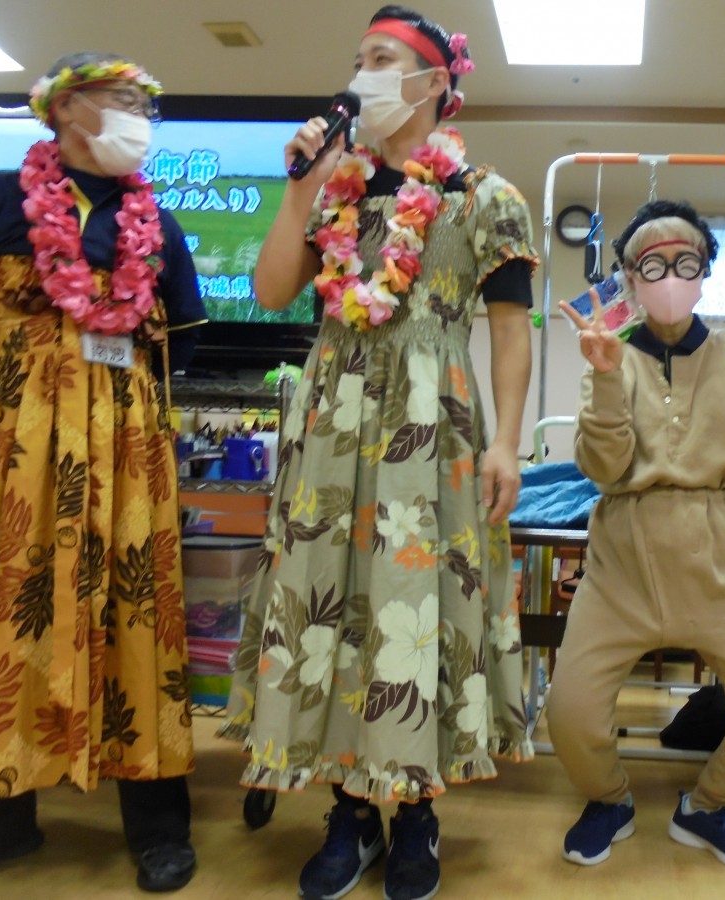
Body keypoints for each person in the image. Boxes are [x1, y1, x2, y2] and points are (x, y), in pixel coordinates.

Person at [217, 7, 536, 899]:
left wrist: (508, 443)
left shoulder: (486, 197)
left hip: (433, 427)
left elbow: (512, 331)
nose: (362, 73)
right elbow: (272, 290)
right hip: (332, 425)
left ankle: (417, 813)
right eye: (358, 57)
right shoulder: (335, 192)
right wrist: (299, 187)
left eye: (383, 58)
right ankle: (351, 812)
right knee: (331, 600)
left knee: (415, 603)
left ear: (434, 81)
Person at [0, 53, 205, 891]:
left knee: (136, 608)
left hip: (125, 442)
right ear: (64, 108)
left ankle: (159, 827)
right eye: (121, 100)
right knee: (4, 601)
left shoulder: (159, 223)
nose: (138, 117)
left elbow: (183, 339)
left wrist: (104, 396)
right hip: (12, 441)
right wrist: (31, 385)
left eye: (143, 105)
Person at [546, 200, 725, 874]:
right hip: (623, 567)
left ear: (704, 272)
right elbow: (603, 467)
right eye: (652, 263)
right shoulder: (610, 353)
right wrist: (607, 377)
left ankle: (709, 806)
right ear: (630, 277)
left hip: (723, 564)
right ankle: (610, 800)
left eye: (685, 261)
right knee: (569, 714)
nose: (669, 275)